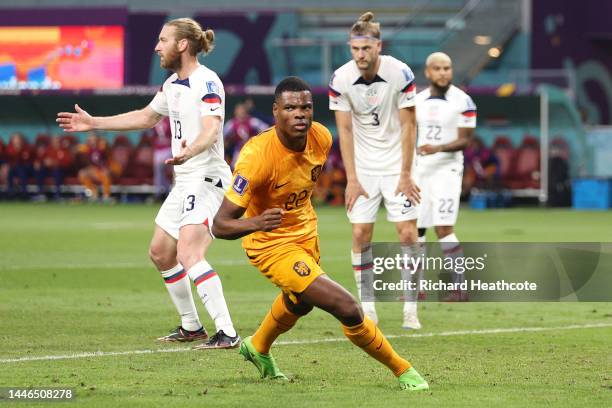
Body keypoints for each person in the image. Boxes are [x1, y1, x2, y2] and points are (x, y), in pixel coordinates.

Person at [212, 76, 428, 391]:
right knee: (347, 307)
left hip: (306, 236)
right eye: (290, 108)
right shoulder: (256, 156)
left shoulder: (322, 138)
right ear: (275, 111)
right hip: (271, 245)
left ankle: (257, 347)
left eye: (306, 107)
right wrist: (257, 223)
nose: (300, 114)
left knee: (300, 302)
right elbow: (220, 225)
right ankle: (404, 371)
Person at [57, 17, 239, 348]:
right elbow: (146, 116)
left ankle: (227, 332)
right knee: (160, 252)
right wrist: (94, 122)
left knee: (189, 252)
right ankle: (191, 326)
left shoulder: (207, 81)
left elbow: (212, 128)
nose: (157, 47)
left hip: (206, 177)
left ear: (183, 44)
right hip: (185, 179)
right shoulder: (171, 85)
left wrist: (191, 150)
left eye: (163, 40)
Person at [328, 12, 422, 329]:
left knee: (408, 233)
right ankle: (368, 308)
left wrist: (407, 173)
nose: (360, 55)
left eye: (366, 49)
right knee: (360, 233)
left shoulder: (400, 73)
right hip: (364, 168)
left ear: (378, 46)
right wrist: (351, 179)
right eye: (355, 49)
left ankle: (411, 310)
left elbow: (410, 126)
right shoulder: (340, 79)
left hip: (398, 164)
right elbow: (346, 132)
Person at [415, 52, 477, 302]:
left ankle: (459, 288)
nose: (443, 73)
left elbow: (466, 140)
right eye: (438, 69)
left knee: (443, 228)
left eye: (447, 68)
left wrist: (438, 148)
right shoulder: (416, 100)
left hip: (447, 171)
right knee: (416, 228)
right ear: (428, 72)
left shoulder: (463, 101)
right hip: (420, 170)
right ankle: (415, 289)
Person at [223, 102, 268, 167]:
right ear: (235, 112)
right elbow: (223, 137)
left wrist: (258, 140)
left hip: (253, 149)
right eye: (239, 110)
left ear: (246, 112)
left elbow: (266, 129)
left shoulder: (253, 121)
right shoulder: (231, 124)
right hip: (239, 149)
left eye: (243, 110)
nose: (241, 112)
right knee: (235, 166)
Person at [77, 132, 112, 202]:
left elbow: (107, 156)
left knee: (105, 174)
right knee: (82, 173)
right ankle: (93, 192)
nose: (92, 140)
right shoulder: (87, 147)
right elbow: (78, 149)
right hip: (93, 170)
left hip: (103, 169)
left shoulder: (102, 145)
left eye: (93, 138)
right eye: (90, 138)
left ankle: (106, 195)